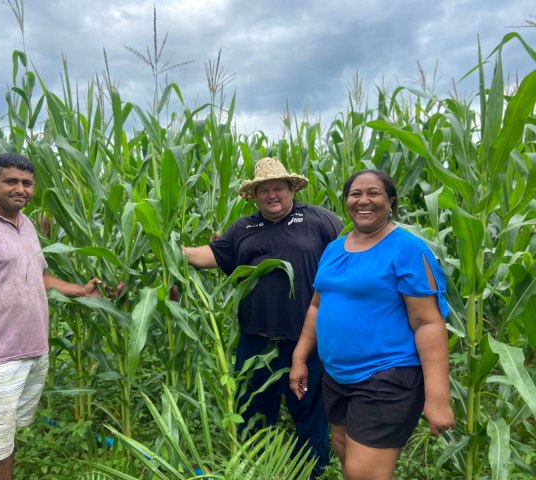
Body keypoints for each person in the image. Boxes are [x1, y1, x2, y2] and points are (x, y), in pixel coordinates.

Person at [0, 152, 104, 480]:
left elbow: (38, 277)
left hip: (30, 353)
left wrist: (80, 290)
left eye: (27, 183)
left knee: (6, 439)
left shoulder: (25, 224)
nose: (20, 189)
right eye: (11, 181)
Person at [183, 157, 344, 476]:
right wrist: (171, 247)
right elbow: (212, 255)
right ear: (254, 195)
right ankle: (255, 470)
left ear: (291, 190)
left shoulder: (319, 220)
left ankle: (312, 471)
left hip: (308, 339)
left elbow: (350, 253)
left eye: (278, 188)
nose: (272, 195)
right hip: (255, 342)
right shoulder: (243, 228)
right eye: (264, 190)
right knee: (254, 413)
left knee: (310, 414)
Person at [290, 169, 455, 479]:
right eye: (355, 194)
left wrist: (437, 398)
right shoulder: (334, 249)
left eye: (373, 194)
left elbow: (427, 324)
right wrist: (300, 358)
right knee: (347, 456)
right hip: (337, 376)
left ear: (390, 202)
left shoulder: (407, 249)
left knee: (362, 472)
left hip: (388, 376)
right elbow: (316, 306)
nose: (363, 201)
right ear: (346, 201)